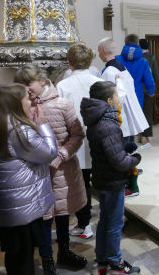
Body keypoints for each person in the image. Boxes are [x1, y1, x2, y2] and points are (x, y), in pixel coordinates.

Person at [0, 84, 58, 275]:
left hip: (9, 203)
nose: (31, 102)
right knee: (23, 257)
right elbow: (48, 153)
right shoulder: (18, 130)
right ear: (15, 103)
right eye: (27, 98)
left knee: (16, 254)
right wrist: (43, 124)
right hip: (22, 204)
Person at [14, 66, 87, 274]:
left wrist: (62, 154)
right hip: (36, 172)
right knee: (44, 219)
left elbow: (77, 135)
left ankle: (64, 251)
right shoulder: (22, 107)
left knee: (62, 215)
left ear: (43, 81)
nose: (26, 89)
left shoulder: (62, 104)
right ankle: (47, 259)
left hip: (62, 169)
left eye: (28, 83)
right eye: (21, 85)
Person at [80, 81, 141, 275]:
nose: (118, 99)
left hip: (102, 177)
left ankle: (102, 256)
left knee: (105, 220)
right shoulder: (108, 125)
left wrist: (123, 150)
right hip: (112, 181)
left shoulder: (97, 120)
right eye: (116, 96)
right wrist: (135, 159)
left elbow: (110, 152)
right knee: (115, 223)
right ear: (108, 100)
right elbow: (119, 162)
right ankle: (115, 262)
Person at [57, 43, 104, 239]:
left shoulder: (62, 85)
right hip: (98, 139)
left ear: (69, 63)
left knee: (80, 183)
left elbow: (59, 117)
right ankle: (99, 223)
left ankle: (85, 224)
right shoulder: (98, 82)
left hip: (74, 140)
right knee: (97, 182)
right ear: (91, 61)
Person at [98, 37, 149, 197]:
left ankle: (130, 187)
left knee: (122, 156)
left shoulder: (109, 72)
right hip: (127, 119)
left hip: (120, 121)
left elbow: (110, 100)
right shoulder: (122, 68)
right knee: (128, 152)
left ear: (103, 52)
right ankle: (131, 184)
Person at [116, 34, 155, 108]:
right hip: (137, 95)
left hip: (120, 95)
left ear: (125, 43)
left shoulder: (116, 59)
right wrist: (151, 92)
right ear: (138, 43)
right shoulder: (143, 62)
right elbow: (149, 80)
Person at [139, 38, 159, 143]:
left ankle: (138, 135)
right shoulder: (151, 58)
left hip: (136, 90)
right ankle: (145, 136)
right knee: (147, 112)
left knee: (138, 112)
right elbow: (156, 75)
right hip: (148, 90)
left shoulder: (135, 58)